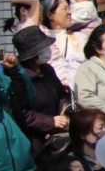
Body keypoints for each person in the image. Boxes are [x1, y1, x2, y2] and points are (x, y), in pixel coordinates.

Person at [12, 25, 69, 155]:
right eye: (44, 49)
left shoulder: (47, 69)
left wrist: (63, 115)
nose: (48, 51)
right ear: (33, 54)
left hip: (58, 134)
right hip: (34, 141)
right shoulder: (19, 77)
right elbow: (20, 113)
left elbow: (61, 94)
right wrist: (50, 122)